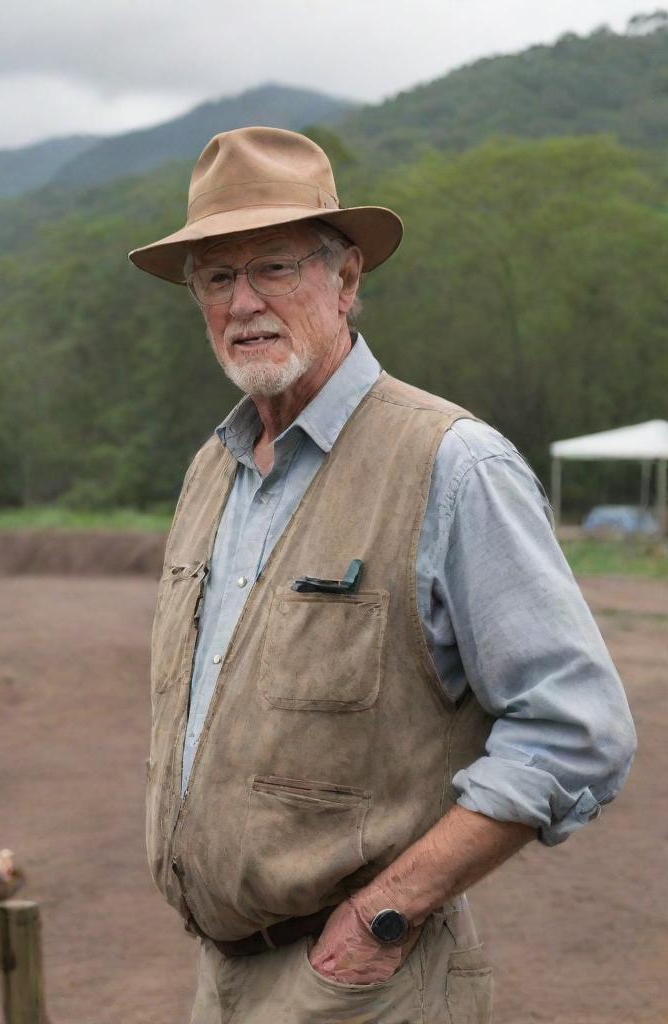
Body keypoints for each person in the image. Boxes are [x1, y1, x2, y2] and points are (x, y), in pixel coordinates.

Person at [127, 126, 636, 1024]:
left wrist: (381, 919)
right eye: (216, 277)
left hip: (365, 985)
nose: (244, 301)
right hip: (222, 977)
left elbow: (575, 728)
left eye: (275, 267)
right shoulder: (215, 470)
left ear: (348, 279)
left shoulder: (451, 462)